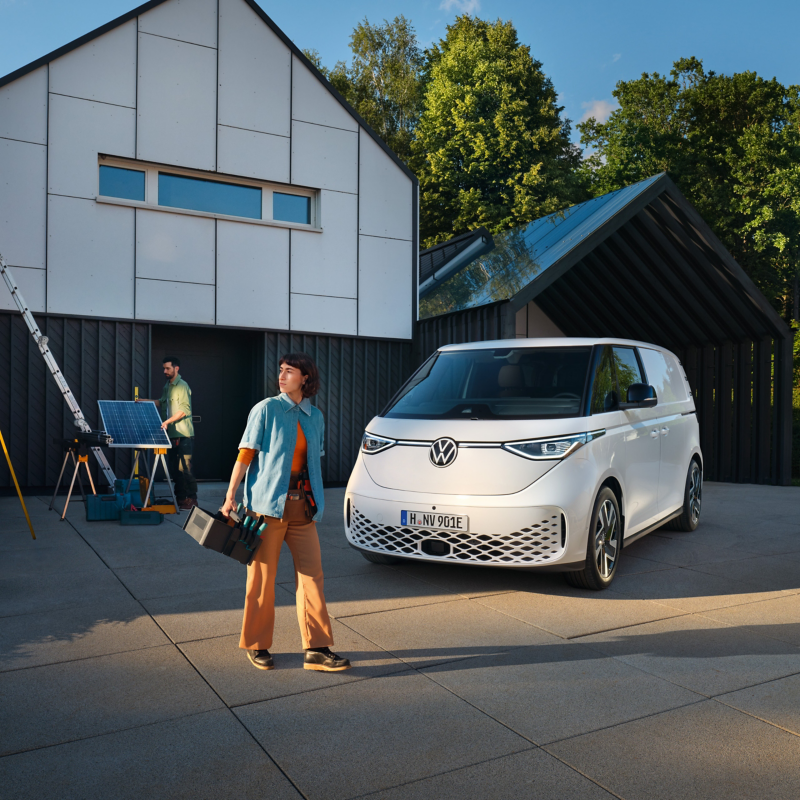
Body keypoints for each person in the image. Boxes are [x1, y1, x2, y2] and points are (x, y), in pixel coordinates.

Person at [220, 353, 350, 673]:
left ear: (305, 378)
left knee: (312, 579)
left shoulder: (315, 416)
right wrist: (230, 495)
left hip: (302, 509)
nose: (281, 375)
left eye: (289, 371)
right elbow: (246, 454)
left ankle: (317, 649)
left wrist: (317, 501)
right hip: (266, 509)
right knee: (261, 581)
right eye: (280, 370)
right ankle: (257, 645)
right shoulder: (266, 409)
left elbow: (313, 463)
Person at [138, 356, 197, 511]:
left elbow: (184, 410)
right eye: (164, 368)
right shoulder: (168, 386)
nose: (165, 371)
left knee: (185, 469)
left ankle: (191, 499)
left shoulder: (182, 386)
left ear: (176, 369)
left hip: (183, 434)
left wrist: (167, 422)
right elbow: (161, 402)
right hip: (171, 435)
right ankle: (180, 499)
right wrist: (144, 401)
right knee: (174, 469)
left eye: (168, 368)